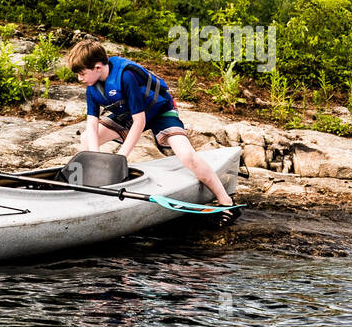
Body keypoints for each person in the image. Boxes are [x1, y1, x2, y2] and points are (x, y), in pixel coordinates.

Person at [67, 38, 237, 218]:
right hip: (127, 115)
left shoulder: (126, 76)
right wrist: (96, 160)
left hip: (159, 111)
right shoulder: (92, 87)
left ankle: (226, 201)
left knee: (187, 156)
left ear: (98, 67)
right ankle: (97, 190)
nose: (80, 79)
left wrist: (120, 158)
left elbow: (139, 122)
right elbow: (92, 125)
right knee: (86, 138)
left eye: (82, 73)